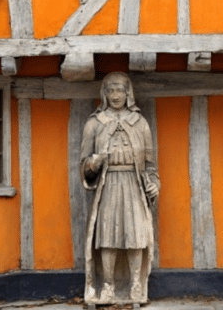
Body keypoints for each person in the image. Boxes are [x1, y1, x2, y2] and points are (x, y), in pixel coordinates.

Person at [80, 72, 159, 306]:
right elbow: (84, 165)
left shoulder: (140, 123)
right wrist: (92, 164)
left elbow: (150, 165)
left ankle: (136, 284)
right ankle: (107, 287)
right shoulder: (94, 123)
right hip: (108, 185)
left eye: (120, 90)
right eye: (111, 90)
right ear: (104, 94)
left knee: (135, 235)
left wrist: (154, 183)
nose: (115, 95)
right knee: (107, 237)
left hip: (133, 185)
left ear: (128, 93)